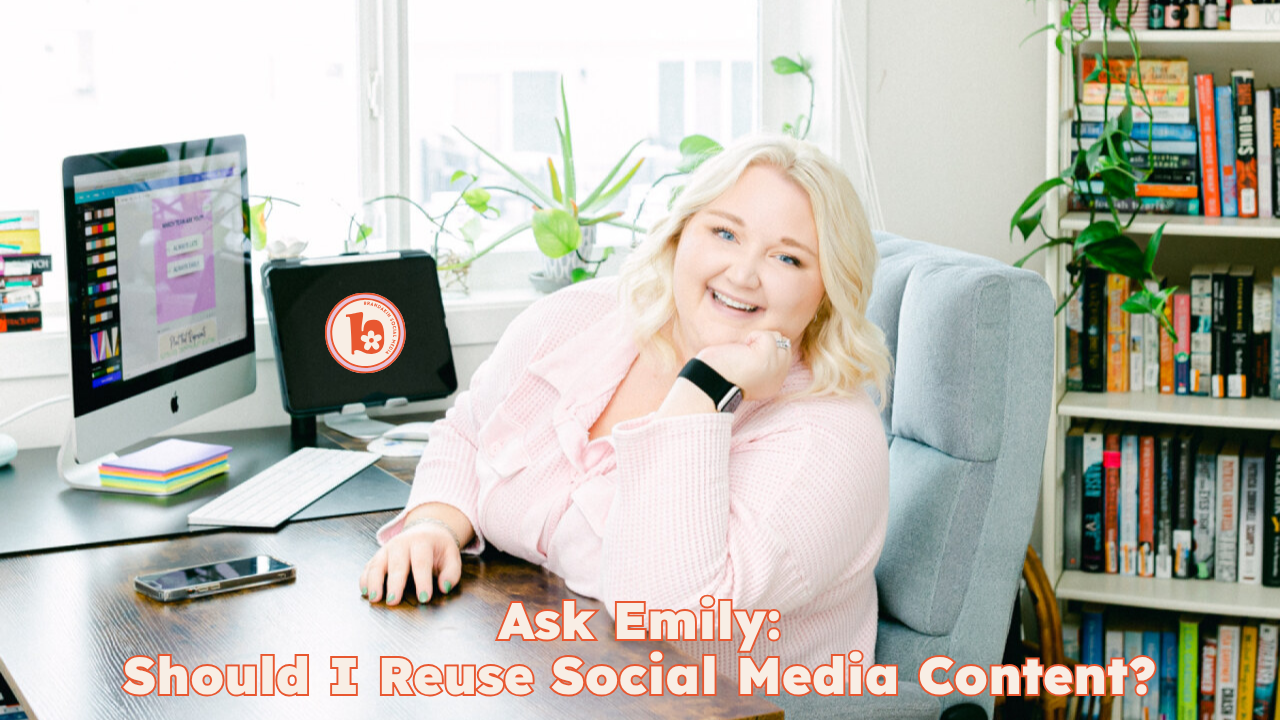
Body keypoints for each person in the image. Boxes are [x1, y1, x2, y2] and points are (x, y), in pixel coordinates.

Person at [360, 134, 892, 674]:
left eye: (787, 257)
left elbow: (662, 617)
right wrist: (434, 524)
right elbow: (471, 429)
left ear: (827, 292)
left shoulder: (829, 439)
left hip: (714, 703)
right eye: (725, 232)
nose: (742, 274)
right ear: (681, 234)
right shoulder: (584, 316)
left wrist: (703, 388)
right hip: (546, 670)